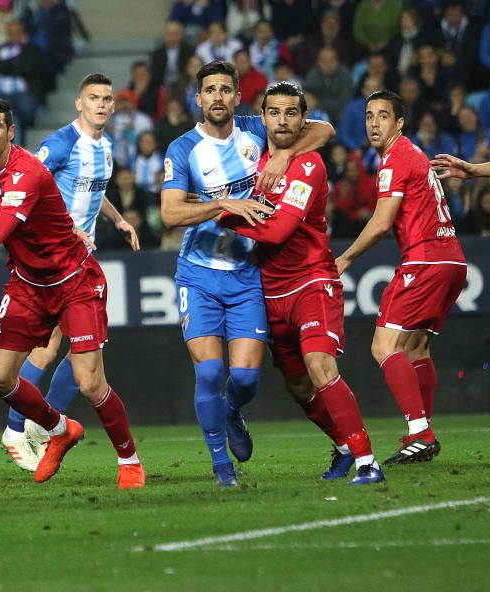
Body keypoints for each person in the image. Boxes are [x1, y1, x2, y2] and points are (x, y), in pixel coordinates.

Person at [159, 60, 334, 487]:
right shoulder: (182, 149)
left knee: (246, 379)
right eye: (209, 90)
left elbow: (325, 130)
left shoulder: (257, 131)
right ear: (197, 99)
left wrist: (288, 154)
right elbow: (169, 213)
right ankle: (222, 468)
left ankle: (233, 411)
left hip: (247, 276)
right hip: (198, 274)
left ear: (237, 97)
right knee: (210, 373)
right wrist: (223, 204)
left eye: (225, 89)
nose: (217, 96)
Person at [0, 96, 145, 488]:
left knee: (90, 381)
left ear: (11, 132)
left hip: (74, 281)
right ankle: (59, 429)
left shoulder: (25, 172)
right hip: (28, 285)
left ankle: (129, 460)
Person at [218, 83, 385, 485]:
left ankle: (367, 462)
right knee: (298, 385)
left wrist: (228, 216)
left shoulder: (309, 166)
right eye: (273, 112)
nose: (281, 120)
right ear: (263, 118)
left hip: (311, 282)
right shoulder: (254, 161)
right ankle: (344, 445)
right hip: (269, 290)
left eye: (291, 113)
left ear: (302, 118)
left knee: (319, 364)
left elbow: (278, 232)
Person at [2, 73, 139, 472]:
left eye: (107, 98)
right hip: (51, 258)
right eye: (93, 97)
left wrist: (116, 220)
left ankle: (36, 423)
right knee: (51, 349)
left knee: (72, 348)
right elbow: (27, 181)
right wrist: (70, 228)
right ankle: (18, 428)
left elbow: (94, 191)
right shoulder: (61, 143)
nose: (101, 103)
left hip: (76, 261)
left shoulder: (106, 148)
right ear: (79, 103)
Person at [335, 91, 467, 465]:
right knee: (415, 349)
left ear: (399, 123)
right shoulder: (413, 153)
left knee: (383, 347)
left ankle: (421, 433)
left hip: (425, 260)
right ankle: (419, 433)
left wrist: (344, 258)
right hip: (451, 261)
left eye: (382, 116)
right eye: (369, 116)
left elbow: (380, 224)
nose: (374, 123)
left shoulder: (395, 158)